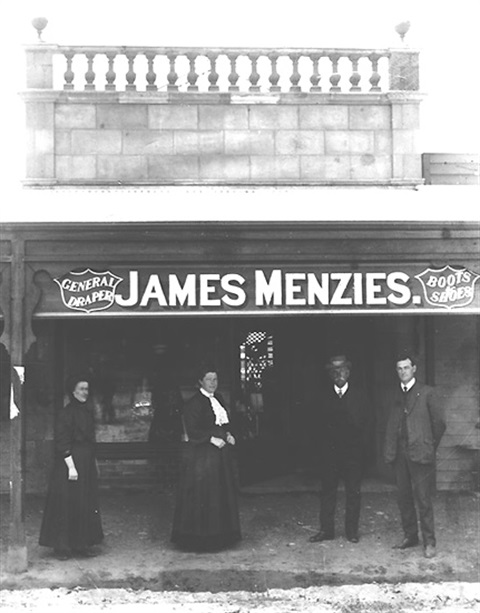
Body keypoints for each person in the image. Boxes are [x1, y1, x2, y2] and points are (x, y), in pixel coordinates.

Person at [171, 366, 241, 552]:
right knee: (206, 494)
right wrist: (210, 439)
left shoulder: (218, 399)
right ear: (200, 382)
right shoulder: (194, 403)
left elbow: (222, 423)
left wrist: (227, 434)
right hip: (202, 456)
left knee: (220, 492)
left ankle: (222, 536)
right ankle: (202, 539)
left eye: (215, 379)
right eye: (209, 379)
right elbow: (192, 430)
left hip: (219, 454)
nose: (213, 383)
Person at [384, 352, 446, 558]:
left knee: (423, 499)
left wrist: (428, 445)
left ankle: (430, 542)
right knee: (404, 497)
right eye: (399, 368)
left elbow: (439, 424)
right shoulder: (394, 395)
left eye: (407, 367)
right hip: (400, 456)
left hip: (420, 453)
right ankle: (410, 536)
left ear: (414, 369)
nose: (403, 372)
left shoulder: (427, 393)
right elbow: (391, 425)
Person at [39, 376, 104, 559]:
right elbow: (62, 442)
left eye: (87, 389)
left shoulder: (87, 412)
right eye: (82, 388)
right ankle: (62, 547)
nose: (85, 392)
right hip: (69, 464)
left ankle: (80, 544)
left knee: (83, 502)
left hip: (86, 462)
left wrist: (94, 462)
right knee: (66, 504)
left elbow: (90, 441)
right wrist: (71, 467)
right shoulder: (66, 414)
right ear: (73, 391)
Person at [309, 354, 371, 544]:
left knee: (353, 492)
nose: (339, 374)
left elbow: (366, 425)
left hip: (352, 455)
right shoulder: (322, 396)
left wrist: (360, 451)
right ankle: (326, 530)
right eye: (334, 371)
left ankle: (351, 531)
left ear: (348, 372)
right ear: (330, 374)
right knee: (328, 492)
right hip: (330, 454)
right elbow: (316, 427)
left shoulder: (360, 395)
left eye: (342, 370)